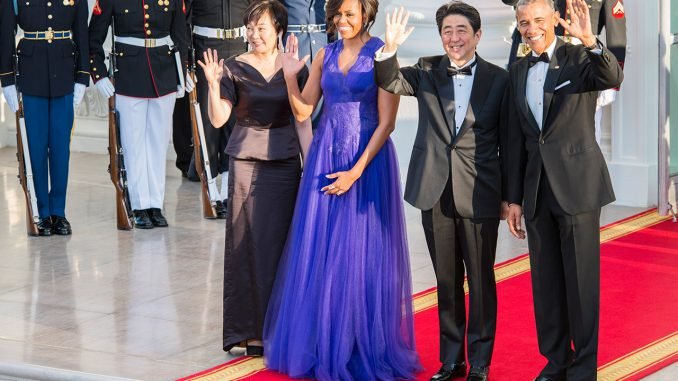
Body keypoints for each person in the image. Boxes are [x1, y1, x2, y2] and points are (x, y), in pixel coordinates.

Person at [262, 0, 421, 379]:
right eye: (337, 14)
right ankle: (325, 339)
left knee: (360, 252)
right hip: (326, 156)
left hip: (367, 163)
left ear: (367, 14)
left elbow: (387, 124)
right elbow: (303, 111)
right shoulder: (325, 54)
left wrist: (354, 172)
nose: (342, 20)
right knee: (324, 250)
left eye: (350, 14)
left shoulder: (381, 52)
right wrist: (289, 76)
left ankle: (357, 342)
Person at [374, 3, 508, 381]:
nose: (454, 38)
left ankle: (480, 363)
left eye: (462, 30)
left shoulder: (499, 79)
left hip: (480, 191)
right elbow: (391, 81)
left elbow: (510, 142)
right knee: (446, 282)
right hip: (434, 190)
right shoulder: (427, 69)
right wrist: (389, 49)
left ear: (477, 35)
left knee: (480, 281)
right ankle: (452, 360)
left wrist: (509, 197)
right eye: (448, 30)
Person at [504, 0, 623, 380]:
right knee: (546, 285)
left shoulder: (578, 57)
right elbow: (516, 139)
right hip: (537, 191)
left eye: (538, 20)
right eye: (524, 22)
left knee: (581, 283)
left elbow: (611, 75)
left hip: (578, 187)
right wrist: (513, 199)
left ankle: (584, 366)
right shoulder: (518, 69)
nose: (531, 28)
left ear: (555, 19)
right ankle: (556, 362)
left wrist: (591, 40)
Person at [198, 0, 311, 356]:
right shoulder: (233, 68)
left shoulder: (293, 66)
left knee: (283, 245)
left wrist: (312, 164)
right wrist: (213, 87)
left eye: (261, 28)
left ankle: (283, 326)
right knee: (246, 244)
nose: (254, 34)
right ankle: (250, 331)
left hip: (285, 162)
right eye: (250, 28)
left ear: (279, 30)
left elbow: (302, 117)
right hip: (246, 161)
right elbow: (218, 120)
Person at [89, 0, 191, 229]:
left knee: (158, 142)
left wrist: (181, 73)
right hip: (128, 74)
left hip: (163, 72)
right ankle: (138, 204)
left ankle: (155, 204)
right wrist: (100, 75)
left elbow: (181, 35)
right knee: (133, 144)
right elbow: (93, 38)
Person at [0, 0, 90, 236]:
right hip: (31, 74)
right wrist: (7, 79)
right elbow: (5, 31)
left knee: (61, 148)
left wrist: (82, 75)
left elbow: (81, 30)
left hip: (64, 72)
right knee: (36, 148)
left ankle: (58, 212)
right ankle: (41, 211)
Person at [503, 0, 626, 144]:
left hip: (579, 66)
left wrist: (611, 86)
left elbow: (617, 34)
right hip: (533, 55)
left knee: (583, 132)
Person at [183, 0, 250, 217]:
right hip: (206, 48)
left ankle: (229, 190)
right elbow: (182, 17)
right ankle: (211, 190)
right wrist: (184, 62)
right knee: (208, 125)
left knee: (235, 122)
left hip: (240, 48)